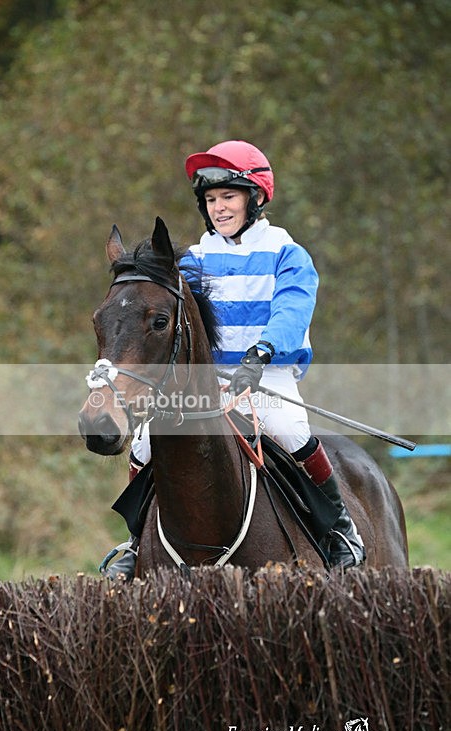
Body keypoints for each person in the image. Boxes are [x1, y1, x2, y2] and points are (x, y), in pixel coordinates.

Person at [105, 139, 365, 578]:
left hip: (267, 373)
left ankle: (338, 530)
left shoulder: (288, 253)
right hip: (210, 381)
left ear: (256, 197)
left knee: (289, 430)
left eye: (229, 197)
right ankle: (135, 542)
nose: (219, 208)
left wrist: (261, 352)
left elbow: (292, 310)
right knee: (147, 440)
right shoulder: (197, 260)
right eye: (211, 200)